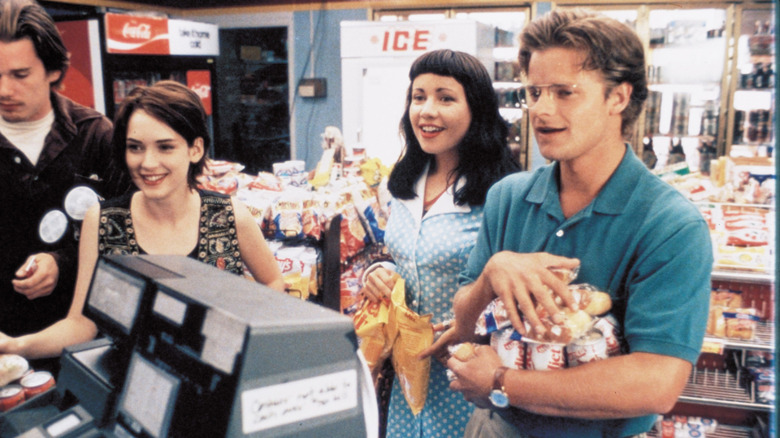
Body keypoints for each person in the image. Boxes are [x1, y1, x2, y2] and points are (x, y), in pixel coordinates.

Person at [425, 9, 713, 438]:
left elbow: (657, 383)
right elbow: (464, 320)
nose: (541, 110)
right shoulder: (509, 197)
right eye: (535, 92)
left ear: (618, 97)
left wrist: (502, 382)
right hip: (494, 427)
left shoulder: (671, 225)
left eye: (565, 92)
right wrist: (492, 273)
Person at [0, 80, 285, 359]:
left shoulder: (229, 216)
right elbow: (82, 323)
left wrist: (247, 344)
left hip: (213, 384)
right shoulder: (101, 221)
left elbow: (272, 282)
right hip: (131, 389)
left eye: (165, 147)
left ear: (195, 149)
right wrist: (16, 346)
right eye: (135, 147)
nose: (147, 163)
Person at [361, 49, 520, 438]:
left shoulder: (503, 193)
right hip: (407, 371)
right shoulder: (401, 184)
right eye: (419, 97)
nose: (427, 111)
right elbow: (402, 256)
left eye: (445, 98)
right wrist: (379, 271)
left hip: (468, 372)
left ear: (476, 110)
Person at [0, 0, 128, 350]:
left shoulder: (95, 135)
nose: (4, 90)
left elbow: (130, 230)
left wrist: (63, 263)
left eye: (19, 75)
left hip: (82, 338)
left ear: (53, 70)